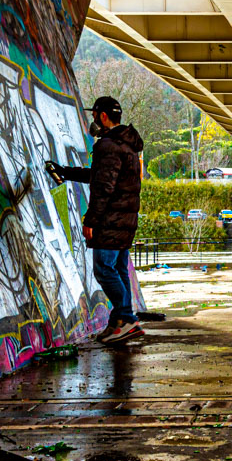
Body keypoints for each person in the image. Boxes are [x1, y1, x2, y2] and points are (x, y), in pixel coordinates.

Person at [49, 95, 145, 345]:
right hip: (125, 221)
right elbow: (101, 175)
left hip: (110, 221)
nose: (93, 122)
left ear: (103, 116)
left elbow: (103, 187)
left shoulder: (108, 146)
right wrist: (67, 172)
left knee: (103, 269)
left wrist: (90, 220)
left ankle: (126, 319)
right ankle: (121, 321)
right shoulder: (127, 145)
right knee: (118, 269)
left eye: (94, 116)